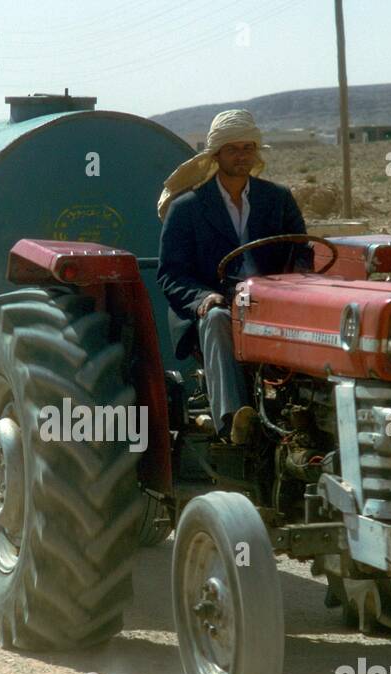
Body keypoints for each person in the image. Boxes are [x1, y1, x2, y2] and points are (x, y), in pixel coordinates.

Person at [157, 109, 308, 443]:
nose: (242, 155)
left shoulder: (278, 199)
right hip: (219, 304)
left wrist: (296, 282)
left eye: (248, 148)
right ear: (216, 154)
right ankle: (234, 421)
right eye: (233, 149)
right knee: (216, 319)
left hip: (273, 300)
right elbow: (171, 273)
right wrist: (202, 298)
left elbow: (302, 250)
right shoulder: (188, 208)